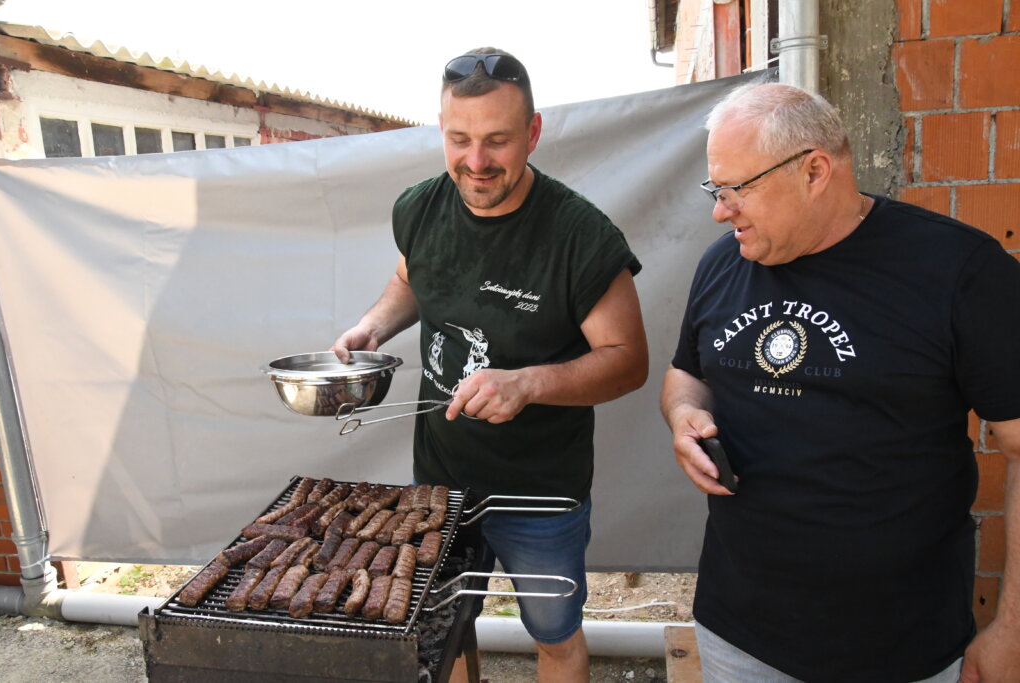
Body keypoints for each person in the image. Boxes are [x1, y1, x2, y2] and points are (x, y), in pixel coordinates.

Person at [659, 81, 1020, 682]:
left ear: (815, 170)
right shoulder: (723, 263)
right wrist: (683, 416)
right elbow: (685, 373)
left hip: (900, 650)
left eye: (736, 189)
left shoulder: (960, 272)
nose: (720, 211)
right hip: (737, 634)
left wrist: (1011, 632)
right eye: (715, 189)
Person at [332, 48, 648, 682]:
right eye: (460, 140)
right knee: (442, 631)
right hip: (443, 483)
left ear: (532, 133)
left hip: (540, 491)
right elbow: (412, 281)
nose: (476, 163)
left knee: (555, 635)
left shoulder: (578, 236)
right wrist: (374, 326)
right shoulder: (421, 208)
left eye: (498, 141)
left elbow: (628, 361)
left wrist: (530, 383)